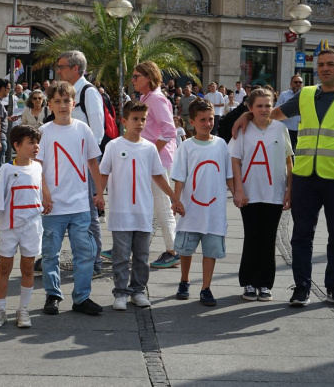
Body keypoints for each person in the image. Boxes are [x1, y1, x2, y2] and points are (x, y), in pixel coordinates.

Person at [232, 48, 334, 308]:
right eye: (320, 65)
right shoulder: (306, 94)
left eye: (330, 64)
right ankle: (302, 287)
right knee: (301, 236)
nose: (325, 68)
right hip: (304, 178)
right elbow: (275, 114)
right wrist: (248, 114)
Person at [96, 101, 183, 311]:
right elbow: (103, 172)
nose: (140, 123)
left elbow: (158, 175)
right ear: (124, 121)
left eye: (143, 119)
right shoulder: (114, 146)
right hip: (120, 211)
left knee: (142, 256)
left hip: (142, 211)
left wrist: (173, 197)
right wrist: (99, 194)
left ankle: (138, 290)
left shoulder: (149, 148)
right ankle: (120, 292)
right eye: (135, 119)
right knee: (121, 255)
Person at [38, 82, 105, 316]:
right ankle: (53, 294)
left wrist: (99, 191)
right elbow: (39, 166)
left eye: (66, 101)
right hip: (53, 205)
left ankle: (82, 297)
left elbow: (93, 163)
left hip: (79, 205)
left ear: (73, 103)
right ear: (50, 105)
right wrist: (45, 193)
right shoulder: (44, 132)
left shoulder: (83, 129)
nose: (62, 105)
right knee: (50, 253)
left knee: (84, 251)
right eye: (57, 101)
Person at [229, 88, 292, 302]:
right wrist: (238, 189)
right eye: (259, 106)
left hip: (274, 193)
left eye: (268, 105)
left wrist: (289, 189)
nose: (264, 109)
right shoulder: (243, 129)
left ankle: (265, 283)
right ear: (250, 108)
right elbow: (235, 160)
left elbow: (288, 161)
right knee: (252, 237)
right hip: (250, 193)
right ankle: (248, 281)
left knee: (268, 239)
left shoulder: (280, 129)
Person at [171, 99, 236, 306]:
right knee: (186, 249)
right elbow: (180, 176)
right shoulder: (186, 147)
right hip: (191, 209)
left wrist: (236, 194)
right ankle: (184, 280)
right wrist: (176, 200)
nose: (207, 123)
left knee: (211, 251)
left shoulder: (221, 144)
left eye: (210, 119)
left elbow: (228, 175)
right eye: (202, 120)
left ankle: (206, 287)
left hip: (214, 210)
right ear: (192, 121)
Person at [54, 50, 106, 278]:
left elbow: (97, 132)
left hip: (85, 165)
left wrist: (85, 163)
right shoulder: (68, 93)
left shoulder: (88, 92)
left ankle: (95, 262)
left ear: (75, 68)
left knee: (89, 213)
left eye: (62, 66)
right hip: (67, 165)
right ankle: (78, 257)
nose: (58, 71)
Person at [0, 125, 43, 329]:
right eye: (31, 142)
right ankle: (0, 309)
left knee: (28, 267)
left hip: (32, 225)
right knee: (5, 266)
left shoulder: (38, 167)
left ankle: (23, 309)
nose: (36, 146)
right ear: (17, 145)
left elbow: (42, 191)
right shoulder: (7, 169)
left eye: (37, 142)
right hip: (9, 226)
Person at [130, 62, 181, 270]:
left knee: (162, 208)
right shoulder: (146, 98)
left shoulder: (157, 99)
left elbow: (169, 131)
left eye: (136, 77)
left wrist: (150, 154)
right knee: (142, 206)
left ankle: (173, 251)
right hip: (151, 159)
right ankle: (126, 248)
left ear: (148, 78)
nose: (133, 80)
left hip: (159, 161)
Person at [275, 75, 303, 151]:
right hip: (288, 129)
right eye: (295, 82)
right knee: (288, 151)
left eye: (300, 82)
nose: (298, 84)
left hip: (301, 130)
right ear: (291, 84)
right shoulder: (284, 95)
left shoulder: (305, 95)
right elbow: (277, 111)